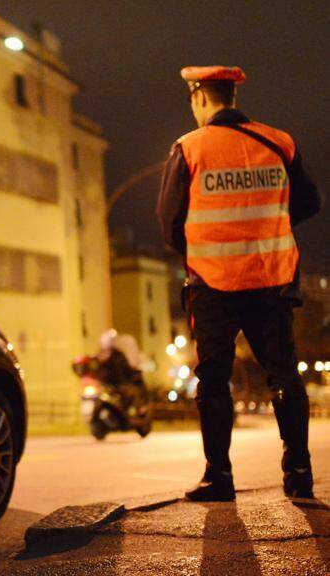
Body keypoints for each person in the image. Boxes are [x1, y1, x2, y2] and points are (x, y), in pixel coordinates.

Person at [156, 65, 322, 502]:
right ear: (230, 95)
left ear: (200, 98)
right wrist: (265, 227)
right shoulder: (278, 142)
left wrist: (203, 248)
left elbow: (169, 220)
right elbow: (309, 201)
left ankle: (219, 477)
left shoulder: (190, 148)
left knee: (213, 379)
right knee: (283, 373)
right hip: (270, 280)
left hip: (213, 285)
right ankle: (299, 474)